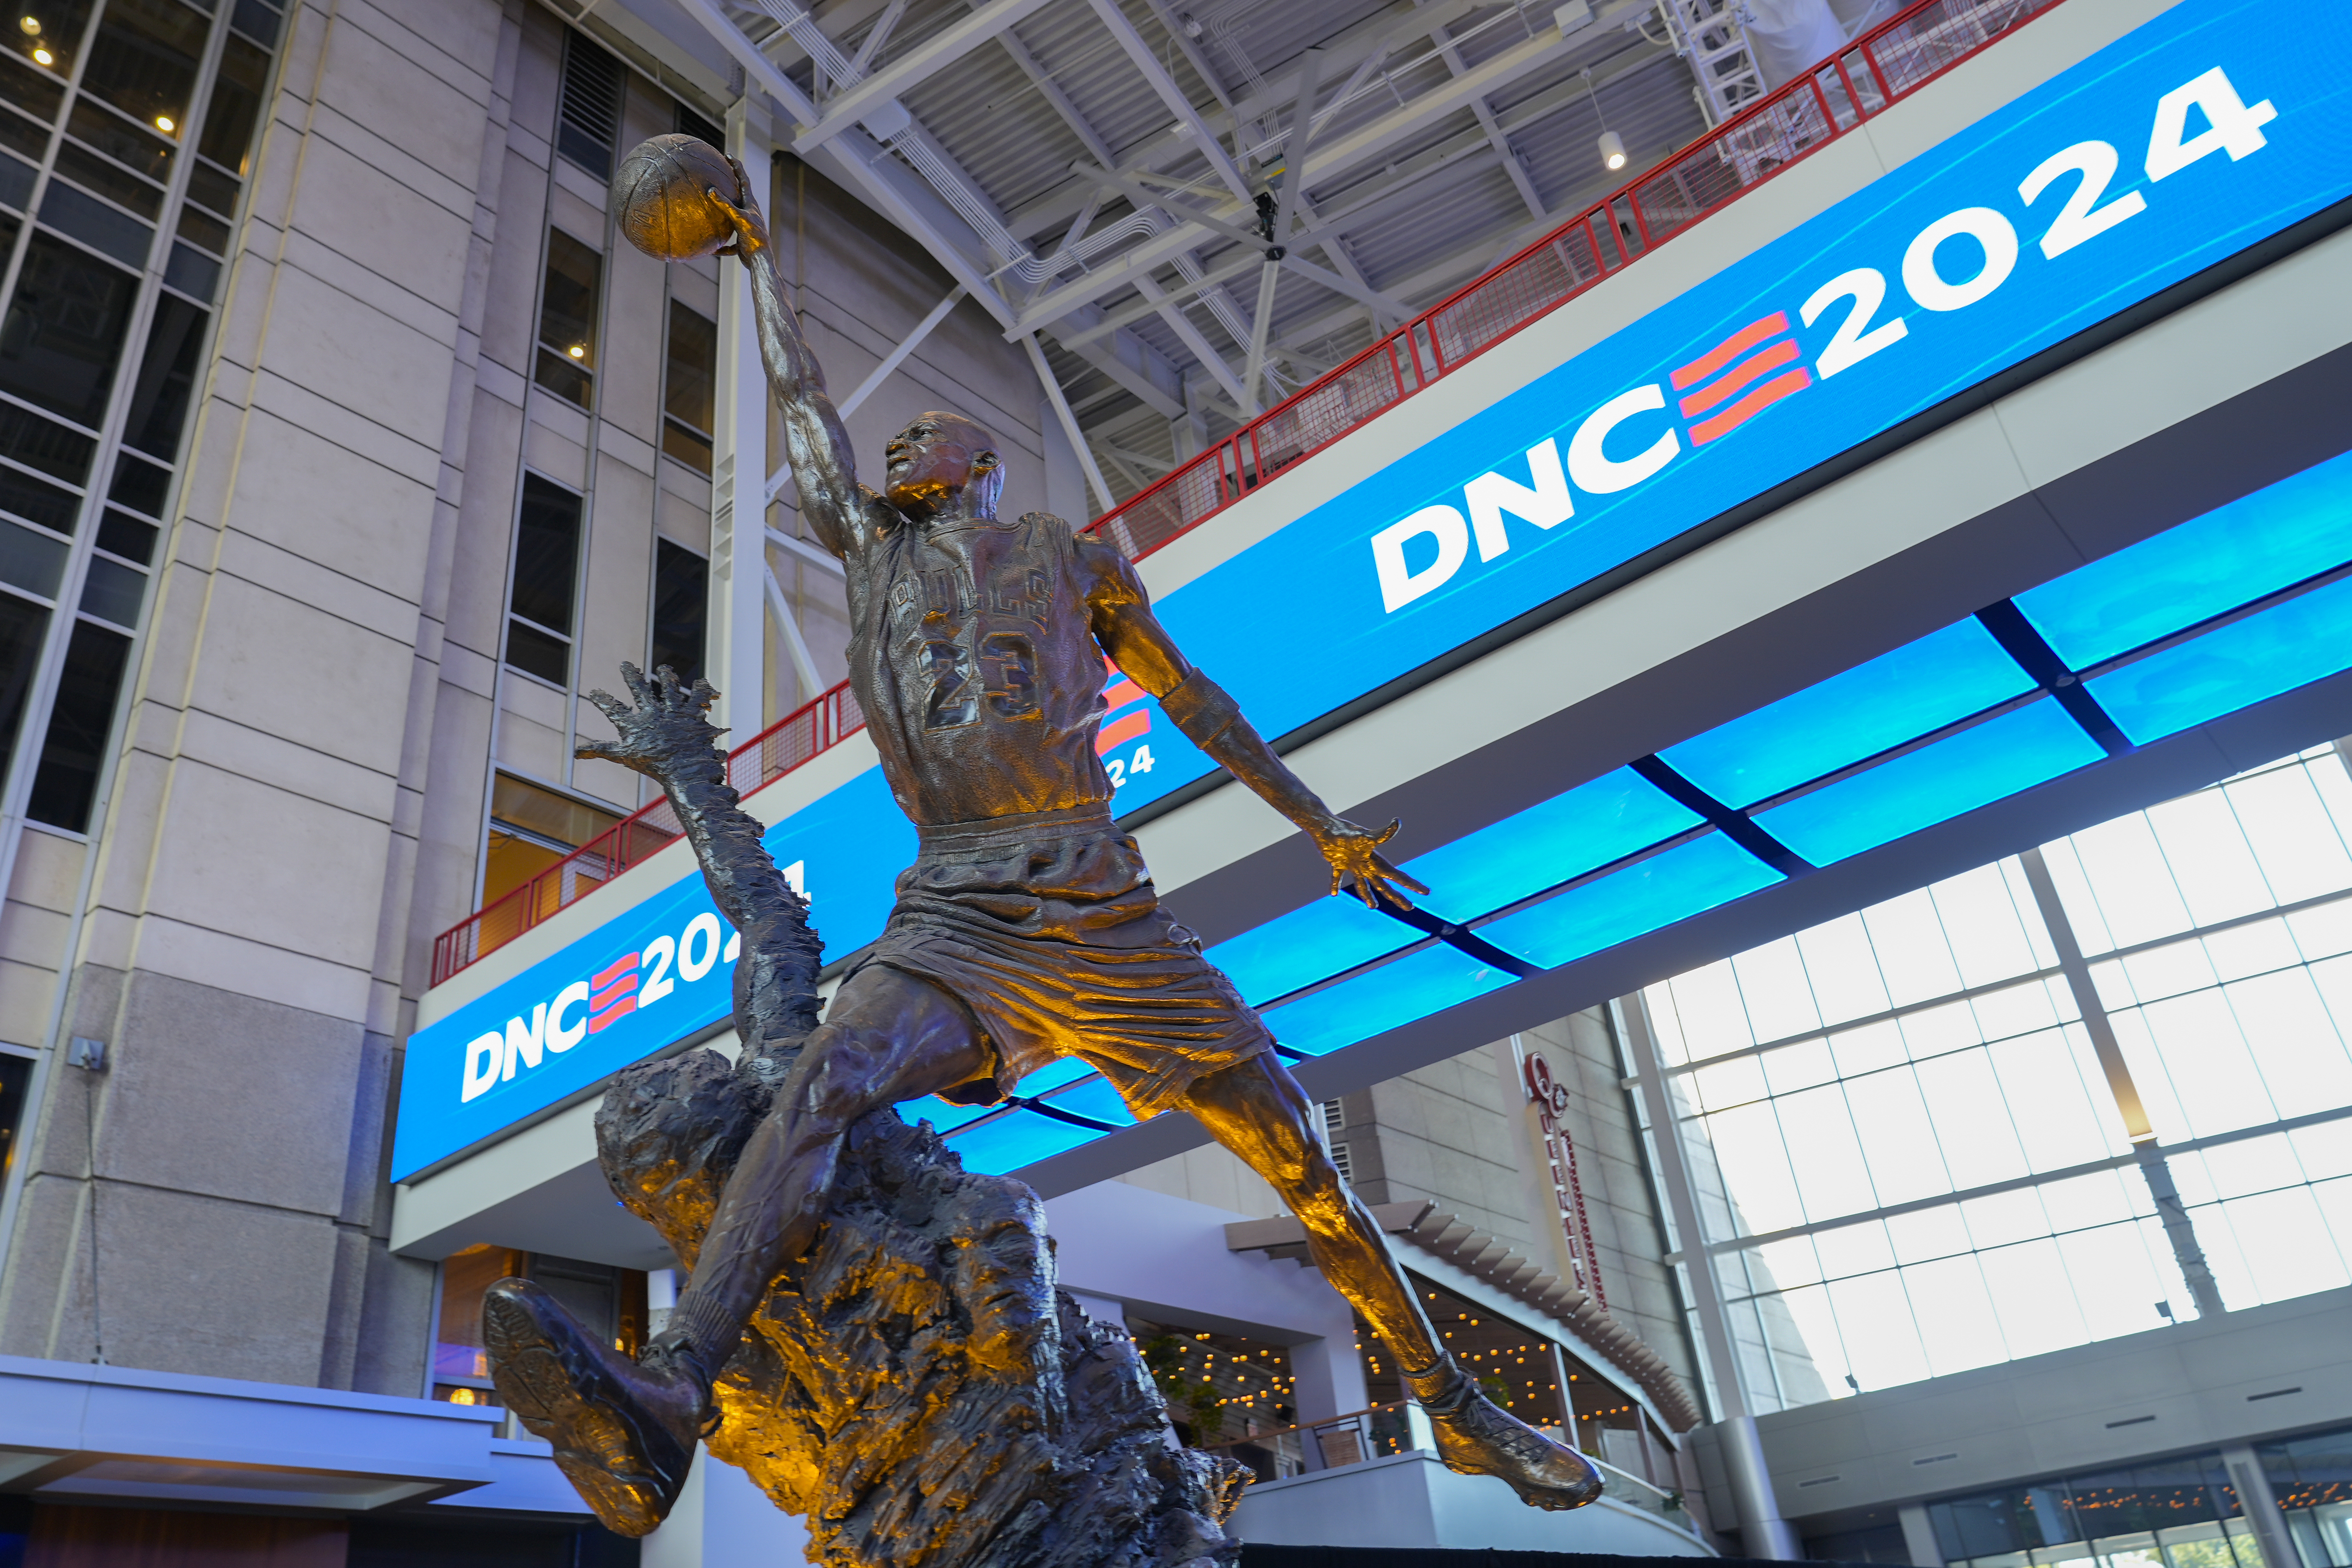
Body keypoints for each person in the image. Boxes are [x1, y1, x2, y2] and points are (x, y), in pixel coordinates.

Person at [484, 156, 1604, 1537]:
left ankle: (1461, 1407)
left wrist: (1318, 828)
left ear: (985, 466)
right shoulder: (874, 556)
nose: (900, 451)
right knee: (826, 1083)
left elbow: (1194, 696)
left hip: (1104, 913)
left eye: (929, 439)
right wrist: (759, 259)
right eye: (895, 446)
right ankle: (670, 1388)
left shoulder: (1067, 558)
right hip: (959, 914)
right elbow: (806, 406)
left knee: (1300, 1162)